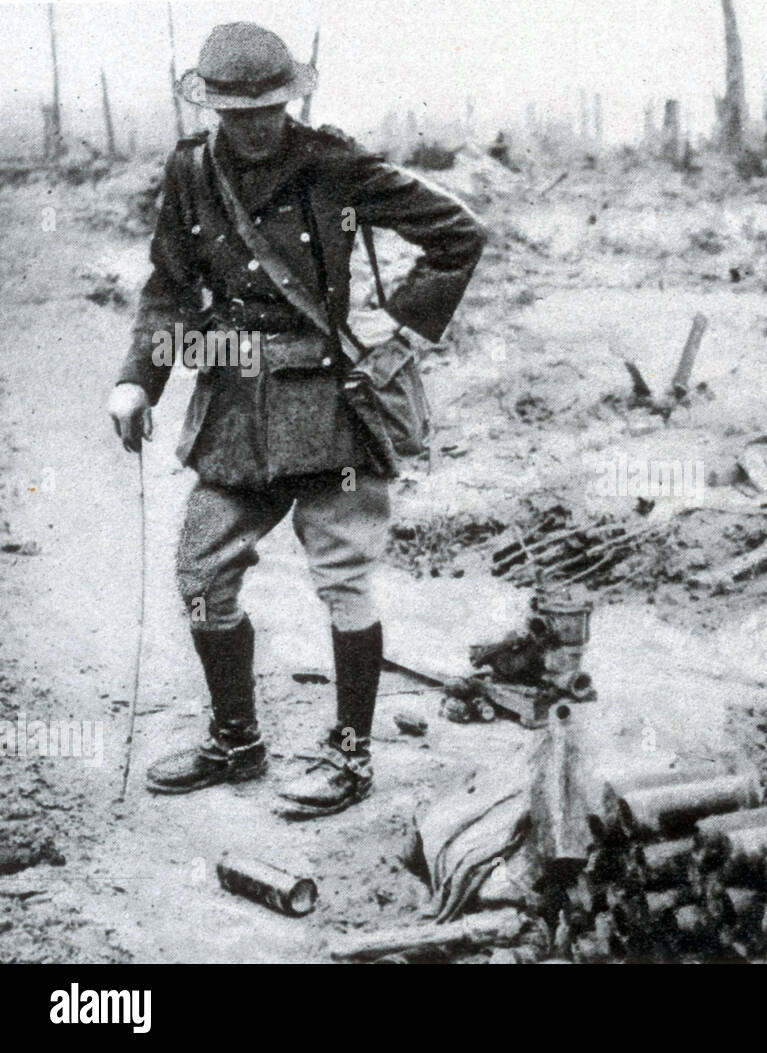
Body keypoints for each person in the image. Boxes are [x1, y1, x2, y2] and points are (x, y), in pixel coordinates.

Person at [106, 22, 486, 818]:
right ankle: (236, 739)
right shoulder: (190, 173)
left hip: (331, 407)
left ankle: (350, 755)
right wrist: (139, 381)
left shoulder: (332, 163)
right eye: (239, 112)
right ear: (211, 106)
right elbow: (170, 290)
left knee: (343, 581)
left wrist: (398, 324)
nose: (257, 125)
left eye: (271, 107)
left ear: (292, 98)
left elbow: (458, 235)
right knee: (202, 575)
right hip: (236, 408)